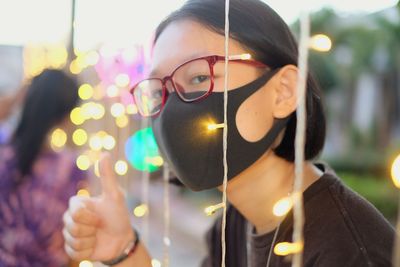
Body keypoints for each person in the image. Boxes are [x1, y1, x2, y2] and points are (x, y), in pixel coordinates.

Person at [62, 0, 395, 266]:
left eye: (198, 78)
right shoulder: (233, 223)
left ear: (282, 92)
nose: (174, 108)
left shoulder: (349, 251)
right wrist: (125, 251)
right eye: (160, 89)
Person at [0, 69, 87, 267]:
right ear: (66, 116)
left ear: (25, 99)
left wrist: (16, 99)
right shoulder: (71, 169)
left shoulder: (4, 153)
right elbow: (75, 245)